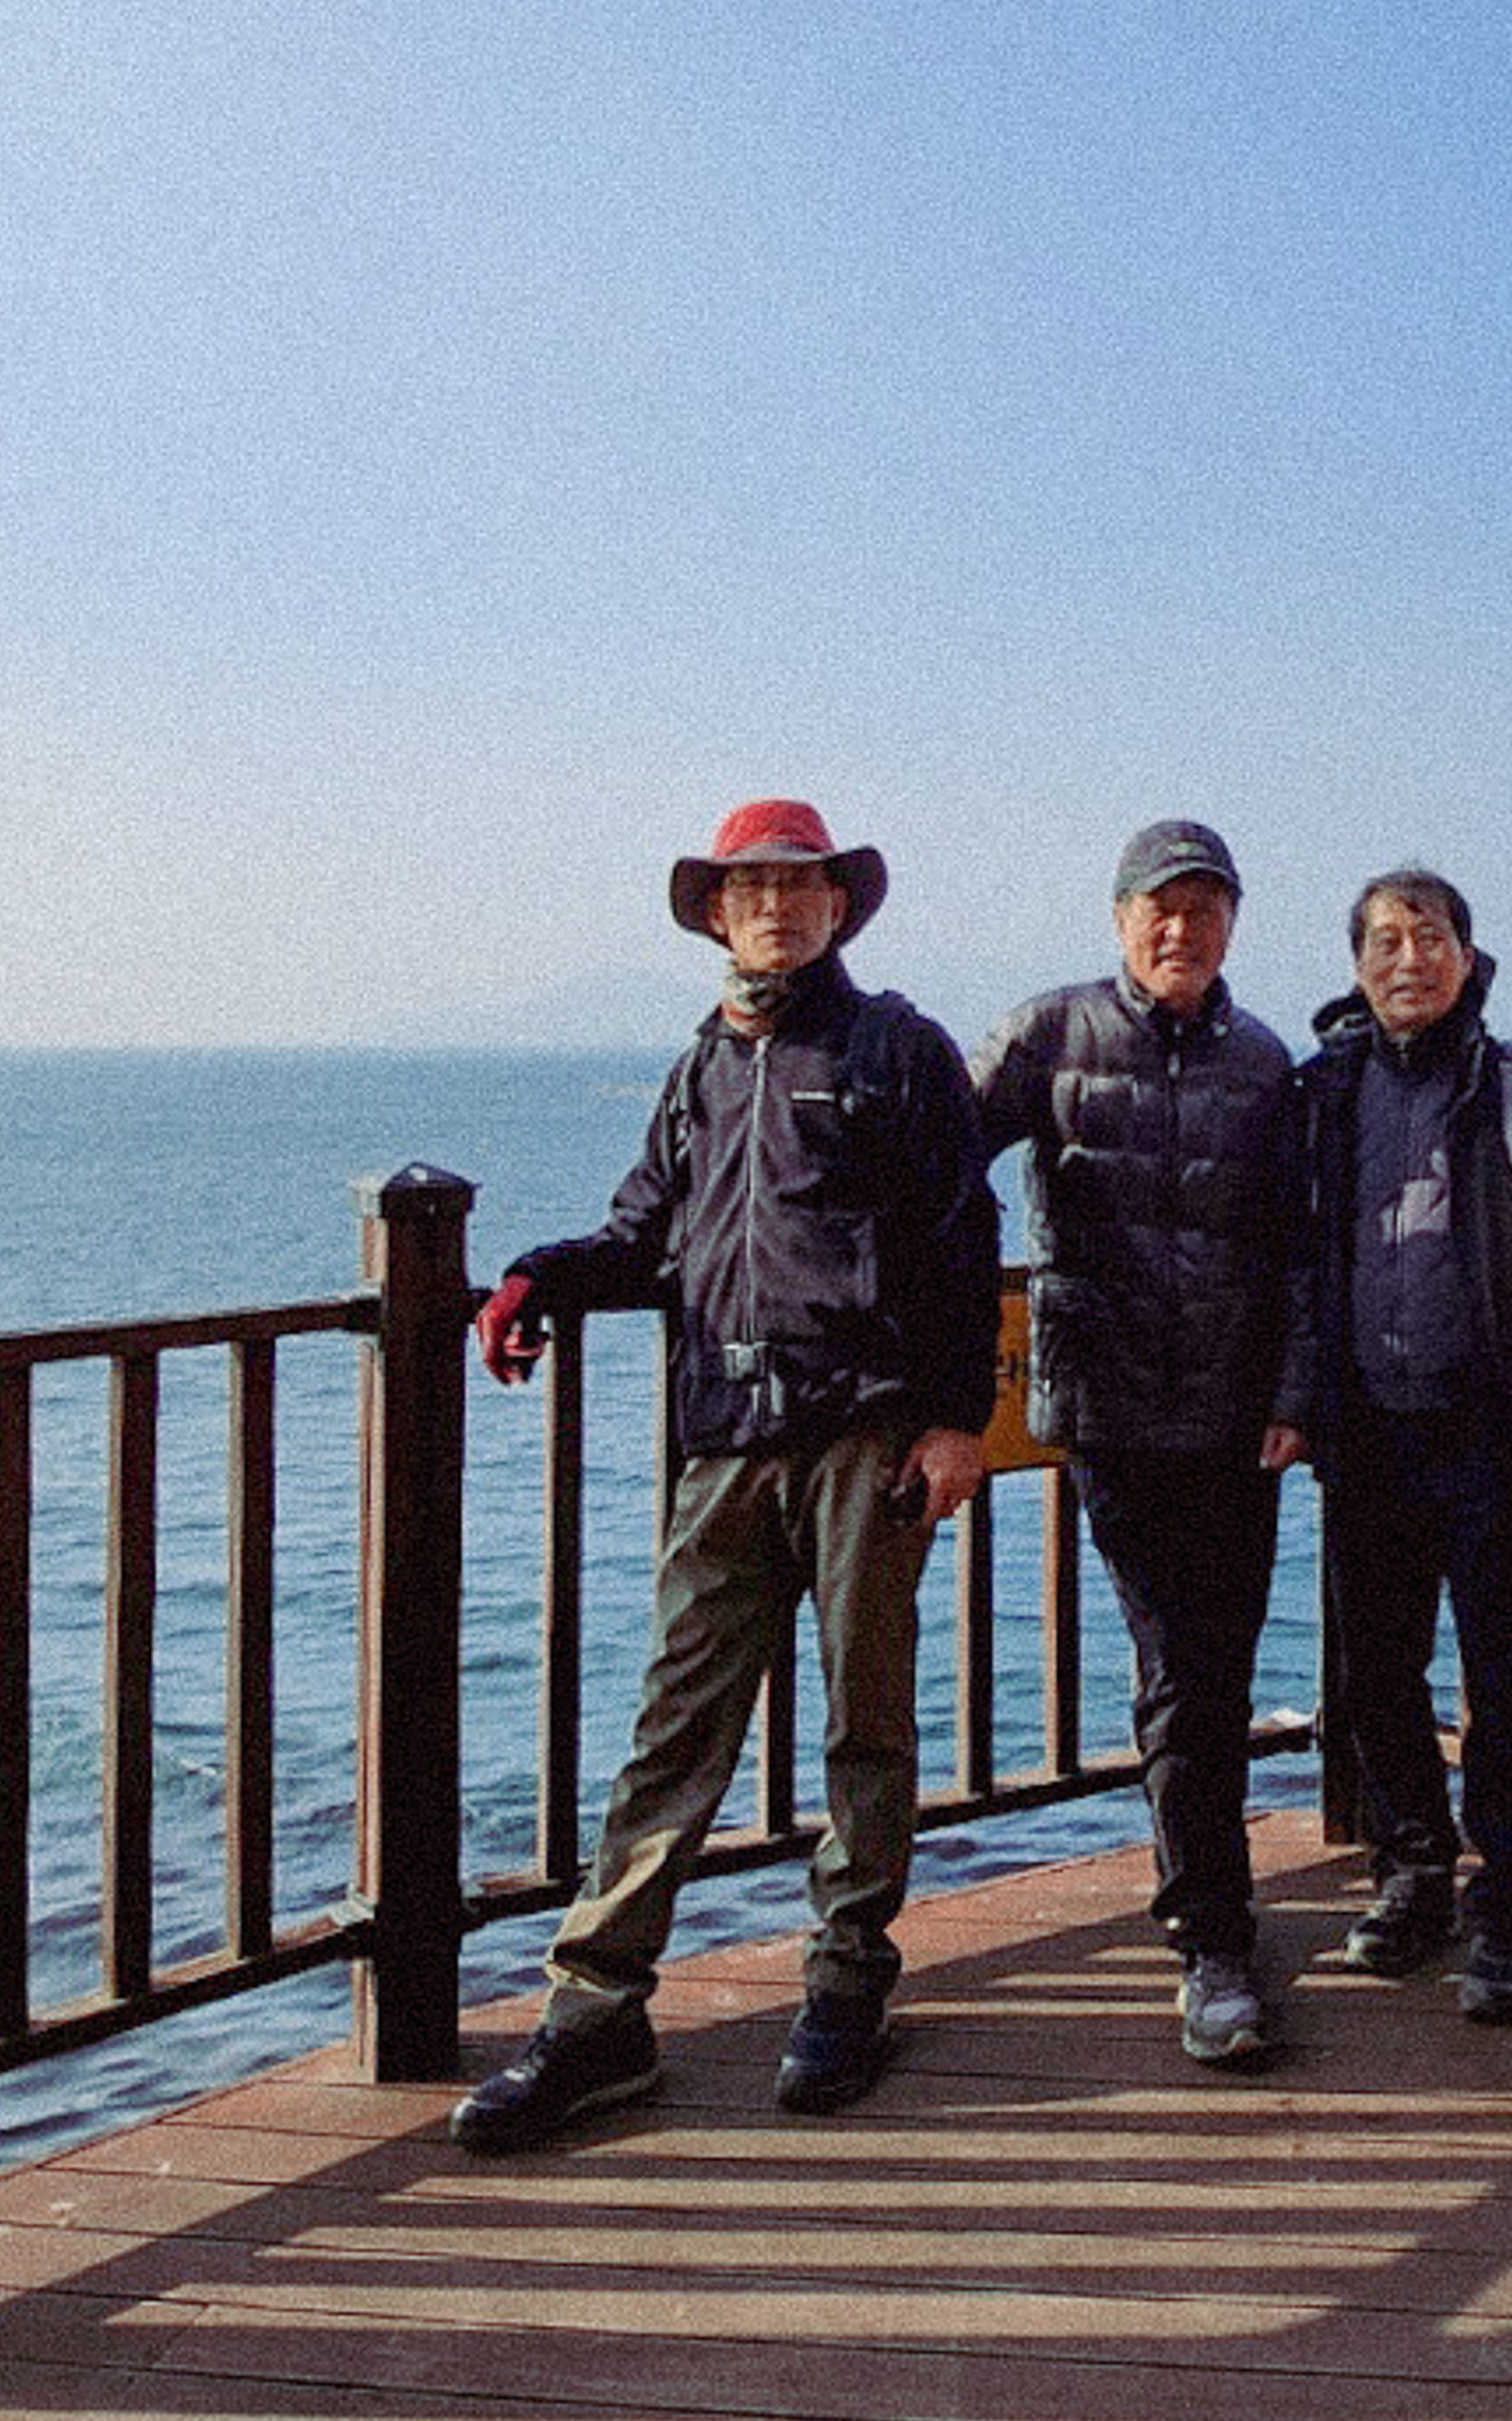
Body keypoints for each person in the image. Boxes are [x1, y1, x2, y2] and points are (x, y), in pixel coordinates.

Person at [449, 799, 999, 2151]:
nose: (777, 908)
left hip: (865, 1432)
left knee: (867, 1721)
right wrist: (536, 1278)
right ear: (715, 913)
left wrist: (955, 1422)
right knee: (675, 1727)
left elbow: (961, 1238)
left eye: (800, 887)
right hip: (724, 1438)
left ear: (838, 906)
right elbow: (644, 1232)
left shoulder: (898, 1051)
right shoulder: (702, 1067)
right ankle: (596, 2014)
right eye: (751, 889)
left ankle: (848, 1979)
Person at [972, 820, 1305, 2064]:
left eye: (1205, 909)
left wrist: (1294, 1390)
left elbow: (1298, 1248)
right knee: (1182, 1671)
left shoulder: (1265, 1063)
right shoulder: (1050, 1033)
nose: (1181, 929)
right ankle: (1212, 1942)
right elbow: (932, 1162)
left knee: (1216, 1673)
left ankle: (1213, 1919)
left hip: (1236, 1416)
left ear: (1232, 925)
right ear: (1120, 920)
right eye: (1160, 907)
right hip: (1111, 1411)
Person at [1285, 868, 1512, 2023]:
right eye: (1383, 941)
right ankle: (1412, 1872)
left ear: (1468, 957)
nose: (1406, 960)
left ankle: (1507, 1903)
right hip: (1367, 1425)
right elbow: (1288, 1251)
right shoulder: (1322, 1095)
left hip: (1494, 1427)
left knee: (1507, 1680)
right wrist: (1298, 1395)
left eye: (1428, 938)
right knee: (1376, 1672)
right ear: (1357, 965)